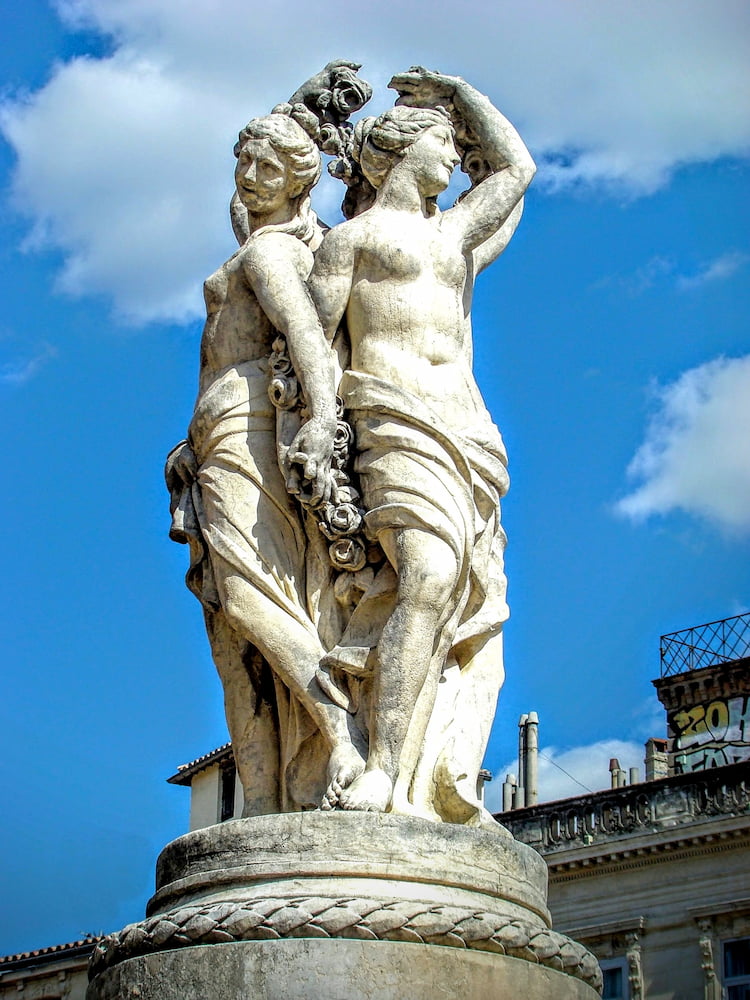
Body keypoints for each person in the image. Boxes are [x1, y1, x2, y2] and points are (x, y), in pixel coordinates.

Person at [307, 68, 536, 821]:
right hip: (393, 421)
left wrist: (460, 95)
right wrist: (318, 425)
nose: (454, 158)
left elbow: (516, 169)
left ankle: (412, 773)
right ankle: (381, 769)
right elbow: (313, 347)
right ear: (402, 152)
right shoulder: (352, 242)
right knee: (429, 578)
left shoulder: (453, 236)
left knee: (455, 594)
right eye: (443, 145)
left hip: (466, 434)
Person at [166, 111, 364, 813]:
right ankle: (263, 799)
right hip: (214, 441)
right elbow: (249, 202)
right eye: (243, 164)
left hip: (244, 431)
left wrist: (323, 417)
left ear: (299, 182)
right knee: (231, 629)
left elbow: (305, 333)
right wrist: (305, 111)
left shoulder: (270, 254)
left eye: (267, 169)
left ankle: (342, 733)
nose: (249, 178)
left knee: (251, 599)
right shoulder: (262, 237)